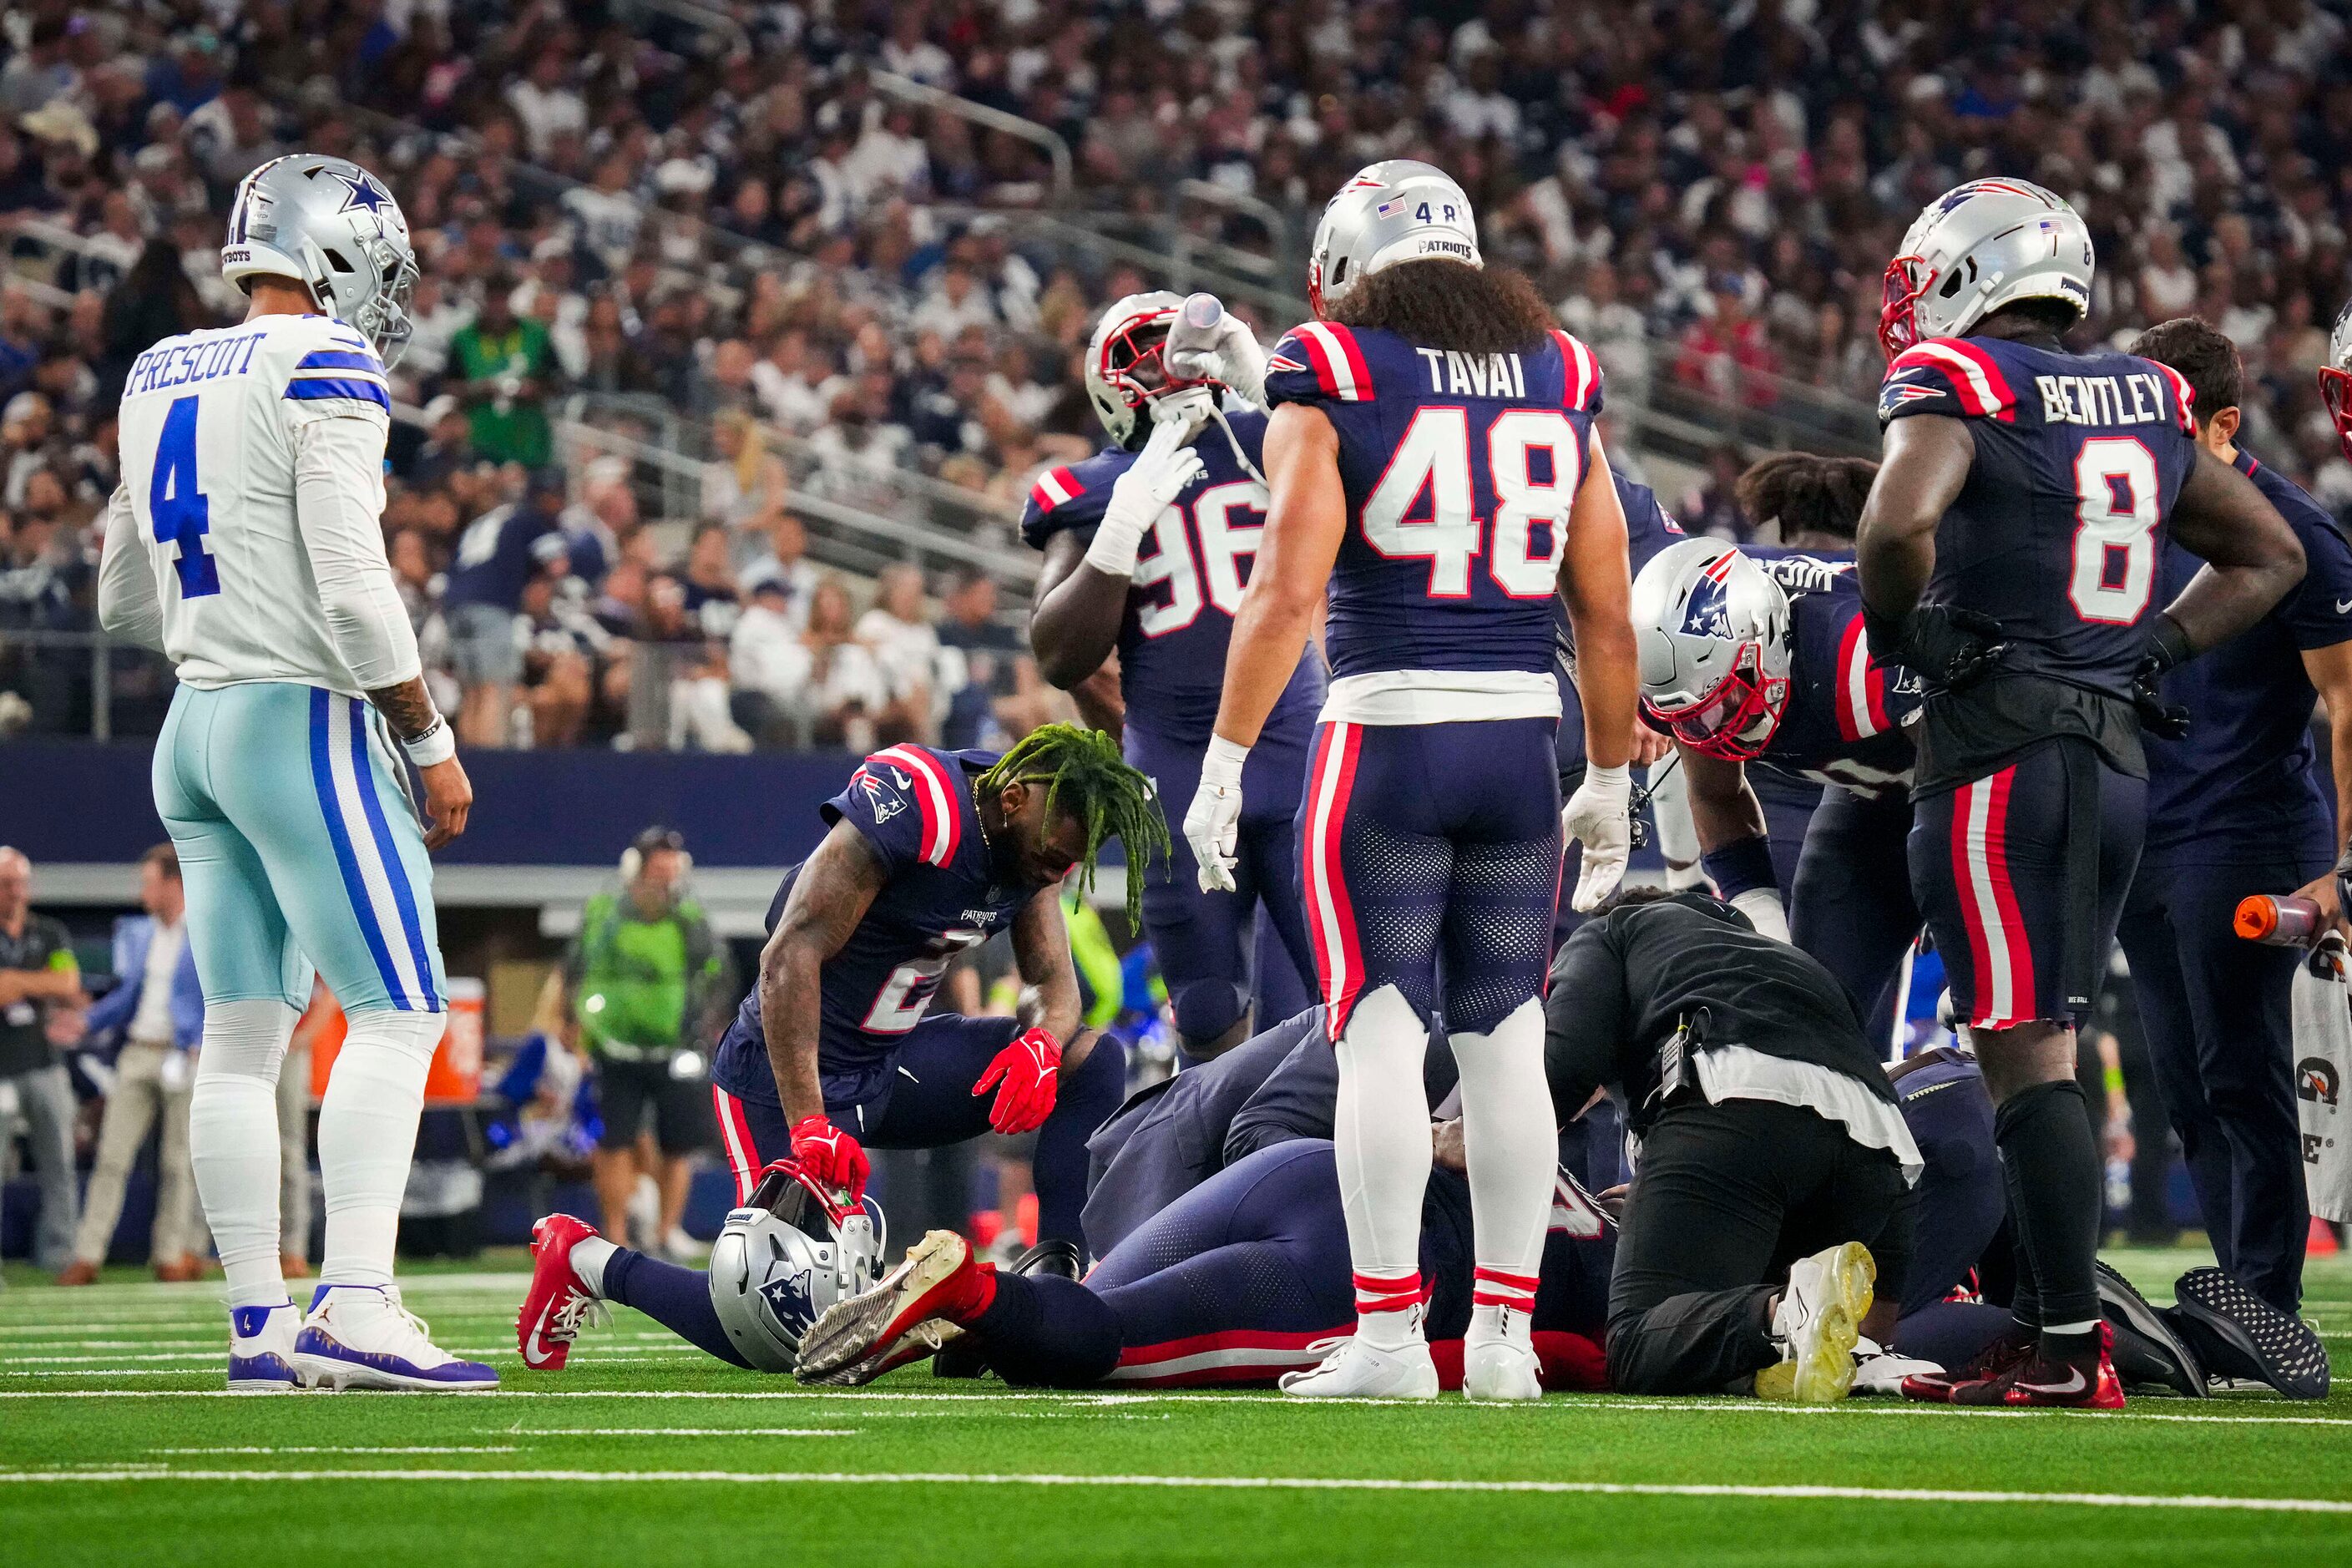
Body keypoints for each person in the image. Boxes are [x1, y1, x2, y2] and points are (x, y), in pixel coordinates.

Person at [1179, 160, 1641, 1401]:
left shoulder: (1328, 369)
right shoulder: (1560, 371)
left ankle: (1390, 1339)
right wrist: (1610, 772)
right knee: (1505, 1037)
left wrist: (1222, 760)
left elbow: (1284, 588)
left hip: (1385, 738)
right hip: (1518, 742)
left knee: (1380, 1036)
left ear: (1342, 267)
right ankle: (1500, 1344)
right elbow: (1605, 608)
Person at [1855, 178, 2304, 1409]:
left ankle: (2067, 1349)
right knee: (2045, 1037)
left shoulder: (1964, 385)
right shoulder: (2146, 393)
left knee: (2025, 1053)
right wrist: (2153, 650)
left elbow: (1894, 525)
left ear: (1967, 273)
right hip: (2112, 764)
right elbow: (2271, 552)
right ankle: (2063, 1334)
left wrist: (1908, 633)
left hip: (2003, 759)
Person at [95, 153, 491, 1391]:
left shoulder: (157, 367)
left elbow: (119, 599)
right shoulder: (322, 357)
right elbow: (352, 577)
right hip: (298, 720)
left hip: (192, 724)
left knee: (239, 1034)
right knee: (399, 1006)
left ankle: (259, 1325)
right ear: (333, 251)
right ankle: (357, 1303)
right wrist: (427, 735)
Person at [518, 1121, 1616, 1393]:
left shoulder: (1571, 1167)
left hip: (1306, 1163)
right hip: (1363, 1262)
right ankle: (973, 1292)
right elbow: (1534, 1351)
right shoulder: (1628, 1277)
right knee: (1099, 1344)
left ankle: (982, 1311)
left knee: (1085, 1304)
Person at [698, 725, 1164, 1260]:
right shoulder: (919, 802)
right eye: (1054, 856)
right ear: (1012, 799)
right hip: (788, 1078)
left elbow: (1053, 987)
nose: (1056, 871)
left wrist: (1043, 1044)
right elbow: (786, 959)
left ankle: (1060, 1277)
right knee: (782, 1294)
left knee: (1091, 1059)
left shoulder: (1035, 837)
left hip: (892, 1063)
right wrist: (809, 1121)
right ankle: (599, 1263)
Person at [2112, 317, 2352, 1323]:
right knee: (2184, 1085)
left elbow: (2349, 704)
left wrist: (2346, 865)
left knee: (2242, 1072)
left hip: (2249, 835)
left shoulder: (2295, 530)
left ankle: (2265, 1297)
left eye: (2159, 421)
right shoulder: (2118, 521)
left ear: (2221, 424)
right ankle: (2240, 1298)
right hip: (2147, 838)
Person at [1026, 292, 1323, 1060]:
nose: (1176, 367)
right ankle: (1227, 1167)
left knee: (1340, 993)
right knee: (1206, 1008)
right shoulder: (1094, 489)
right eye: (1154, 353)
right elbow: (1060, 653)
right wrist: (1119, 528)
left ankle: (1333, 1167)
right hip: (1176, 767)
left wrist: (1273, 388)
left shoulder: (1274, 437)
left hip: (1294, 746)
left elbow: (1387, 468)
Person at [1545, 888, 1920, 1400]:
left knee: (1635, 1345)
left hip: (1737, 1103)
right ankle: (1857, 1353)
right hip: (1884, 1146)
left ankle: (1786, 1312)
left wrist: (1472, 1135)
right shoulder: (1781, 958)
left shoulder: (1616, 929)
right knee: (1795, 1338)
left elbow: (1567, 1063)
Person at [1635, 533, 1925, 1031]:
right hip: (1872, 797)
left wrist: (1950, 877)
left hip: (1994, 779)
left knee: (1995, 1020)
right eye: (1694, 720)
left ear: (1765, 641)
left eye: (1725, 703)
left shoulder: (1859, 658)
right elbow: (1715, 792)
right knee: (1805, 1010)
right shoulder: (1695, 686)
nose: (1714, 730)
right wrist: (1759, 912)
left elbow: (1978, 759)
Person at [564, 827, 727, 1260]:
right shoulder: (603, 913)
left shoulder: (690, 918)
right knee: (613, 1140)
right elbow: (576, 968)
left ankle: (665, 1231)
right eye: (657, 869)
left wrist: (702, 1024)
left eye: (672, 870)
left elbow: (716, 973)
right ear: (634, 869)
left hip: (675, 1049)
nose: (665, 879)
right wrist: (578, 1026)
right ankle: (615, 1235)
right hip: (613, 1046)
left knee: (679, 1144)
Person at [61, 844, 209, 1285]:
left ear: (173, 884)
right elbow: (126, 996)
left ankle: (169, 1254)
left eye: (149, 882)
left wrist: (200, 1041)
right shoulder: (139, 933)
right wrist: (86, 1021)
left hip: (184, 1054)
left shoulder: (205, 931)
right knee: (111, 1156)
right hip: (139, 1050)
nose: (142, 891)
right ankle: (88, 1255)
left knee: (178, 1163)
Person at [0, 846, 82, 1273]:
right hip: (2, 1068)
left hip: (43, 1062)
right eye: (6, 884)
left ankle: (60, 1255)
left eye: (19, 882)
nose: (15, 892)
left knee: (59, 1163)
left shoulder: (49, 932)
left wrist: (15, 979)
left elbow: (68, 982)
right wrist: (39, 984)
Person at [442, 468, 567, 747]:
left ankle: (469, 765)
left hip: (455, 605)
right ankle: (489, 767)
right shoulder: (531, 519)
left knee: (472, 691)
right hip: (491, 605)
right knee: (494, 687)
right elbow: (558, 565)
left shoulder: (483, 520)